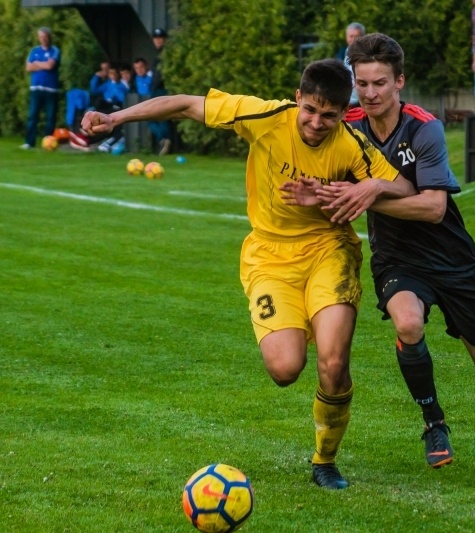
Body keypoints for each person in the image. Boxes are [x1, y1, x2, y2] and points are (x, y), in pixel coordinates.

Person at [81, 58, 415, 490]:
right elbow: (185, 104)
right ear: (298, 98)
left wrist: (362, 188)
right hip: (269, 258)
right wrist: (116, 118)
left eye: (329, 116)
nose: (317, 123)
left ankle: (325, 460)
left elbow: (403, 186)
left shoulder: (351, 144)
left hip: (328, 251)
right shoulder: (265, 117)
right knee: (285, 368)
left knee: (333, 362)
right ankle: (298, 331)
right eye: (310, 110)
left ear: (342, 113)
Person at [340, 33, 475, 472]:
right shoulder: (346, 127)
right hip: (397, 258)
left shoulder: (424, 128)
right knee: (407, 323)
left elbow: (433, 208)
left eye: (380, 83)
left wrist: (370, 192)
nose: (370, 93)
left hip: (453, 259)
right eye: (362, 83)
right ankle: (434, 424)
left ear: (399, 81)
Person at [22, 27, 61, 149]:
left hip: (51, 89)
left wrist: (36, 63)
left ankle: (48, 142)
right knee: (32, 115)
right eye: (41, 37)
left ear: (49, 37)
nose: (43, 39)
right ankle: (29, 142)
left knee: (50, 117)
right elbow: (28, 67)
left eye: (45, 37)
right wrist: (43, 64)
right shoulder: (34, 51)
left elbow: (50, 66)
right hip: (36, 88)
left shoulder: (55, 50)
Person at [89, 64, 130, 152]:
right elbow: (94, 90)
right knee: (97, 104)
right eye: (111, 73)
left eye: (115, 73)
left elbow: (123, 98)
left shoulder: (122, 85)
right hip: (106, 106)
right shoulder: (107, 84)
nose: (113, 75)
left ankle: (108, 140)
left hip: (116, 106)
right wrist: (96, 77)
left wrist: (116, 91)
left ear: (118, 74)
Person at [133, 57, 171, 153]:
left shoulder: (153, 76)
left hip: (156, 100)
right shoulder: (137, 79)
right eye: (136, 68)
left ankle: (164, 139)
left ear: (146, 66)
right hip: (147, 103)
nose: (139, 70)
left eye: (141, 67)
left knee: (160, 120)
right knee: (152, 122)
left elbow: (148, 90)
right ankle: (164, 139)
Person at [150, 28, 172, 155]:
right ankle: (163, 139)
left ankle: (164, 139)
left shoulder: (165, 54)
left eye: (160, 38)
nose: (158, 41)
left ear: (165, 40)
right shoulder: (157, 54)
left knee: (161, 116)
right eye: (156, 38)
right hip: (155, 89)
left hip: (162, 89)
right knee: (152, 117)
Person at [336, 22, 366, 108]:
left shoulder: (367, 54)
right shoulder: (342, 53)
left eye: (356, 36)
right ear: (346, 37)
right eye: (351, 36)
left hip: (361, 100)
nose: (353, 39)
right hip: (346, 100)